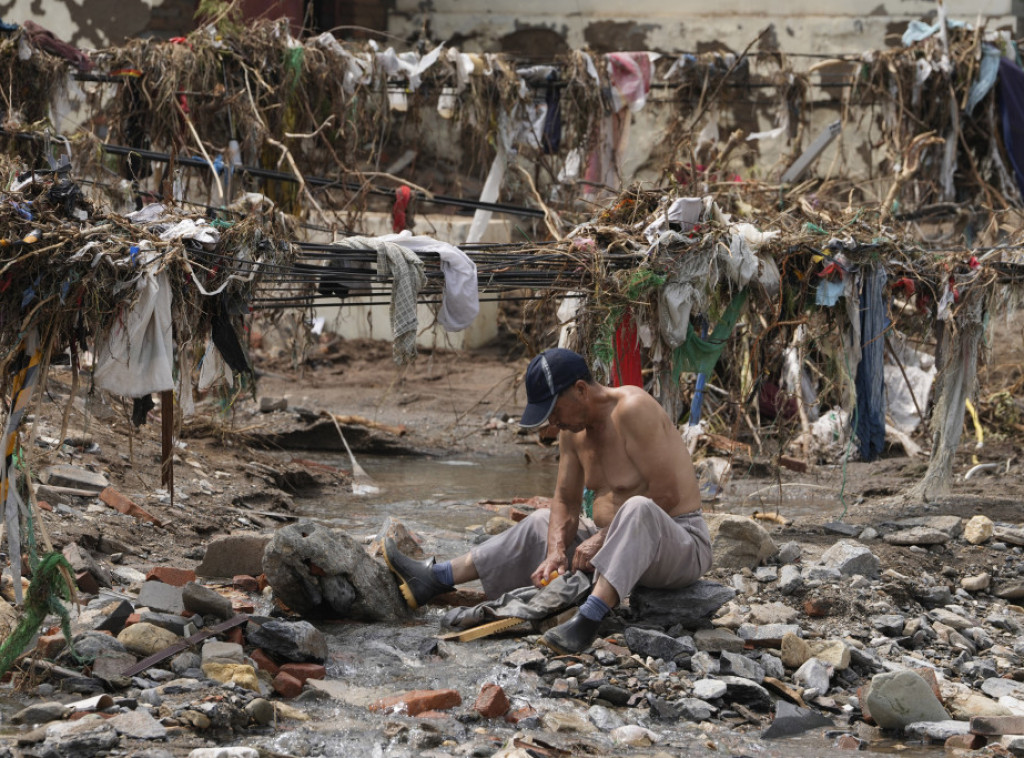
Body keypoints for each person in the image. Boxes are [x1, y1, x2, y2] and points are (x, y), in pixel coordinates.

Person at [382, 347, 712, 654]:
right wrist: (555, 551)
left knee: (637, 508)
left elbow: (667, 496)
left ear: (581, 390)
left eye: (554, 411)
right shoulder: (572, 432)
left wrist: (600, 538)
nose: (552, 424)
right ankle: (436, 578)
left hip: (678, 543)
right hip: (615, 547)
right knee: (542, 521)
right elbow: (565, 502)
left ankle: (589, 619)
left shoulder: (633, 408)